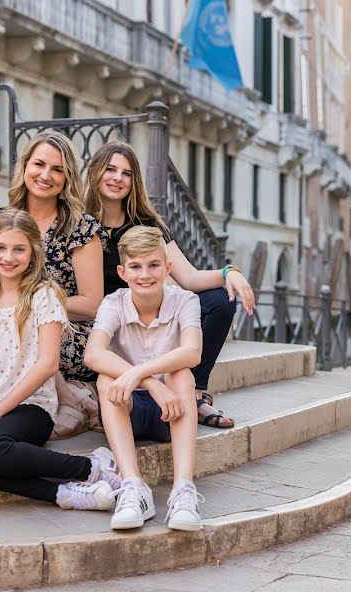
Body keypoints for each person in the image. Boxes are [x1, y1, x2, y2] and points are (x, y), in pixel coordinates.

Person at [0, 209, 121, 510]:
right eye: (1, 248)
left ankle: (90, 467)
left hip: (32, 408)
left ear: (33, 254)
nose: (9, 257)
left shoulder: (43, 295)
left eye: (19, 249)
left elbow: (47, 364)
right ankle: (63, 494)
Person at [83, 141, 255, 429]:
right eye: (110, 169)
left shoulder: (147, 224)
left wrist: (229, 272)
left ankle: (195, 395)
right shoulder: (78, 222)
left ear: (134, 180)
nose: (117, 178)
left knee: (219, 300)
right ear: (95, 172)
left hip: (147, 316)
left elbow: (188, 278)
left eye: (126, 173)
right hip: (103, 322)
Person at [0, 131, 106, 440]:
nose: (46, 175)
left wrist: (31, 304)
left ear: (68, 177)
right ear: (24, 166)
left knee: (26, 331)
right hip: (6, 327)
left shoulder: (80, 228)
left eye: (57, 169)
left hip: (67, 331)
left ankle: (70, 401)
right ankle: (75, 397)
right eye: (39, 164)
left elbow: (92, 303)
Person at [84, 225, 204, 530]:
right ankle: (133, 486)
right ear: (123, 273)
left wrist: (138, 372)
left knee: (182, 375)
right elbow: (93, 354)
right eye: (135, 267)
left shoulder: (185, 300)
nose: (145, 275)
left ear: (168, 268)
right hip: (129, 407)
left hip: (171, 411)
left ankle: (183, 491)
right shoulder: (114, 303)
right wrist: (150, 383)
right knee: (105, 379)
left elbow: (193, 352)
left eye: (153, 265)